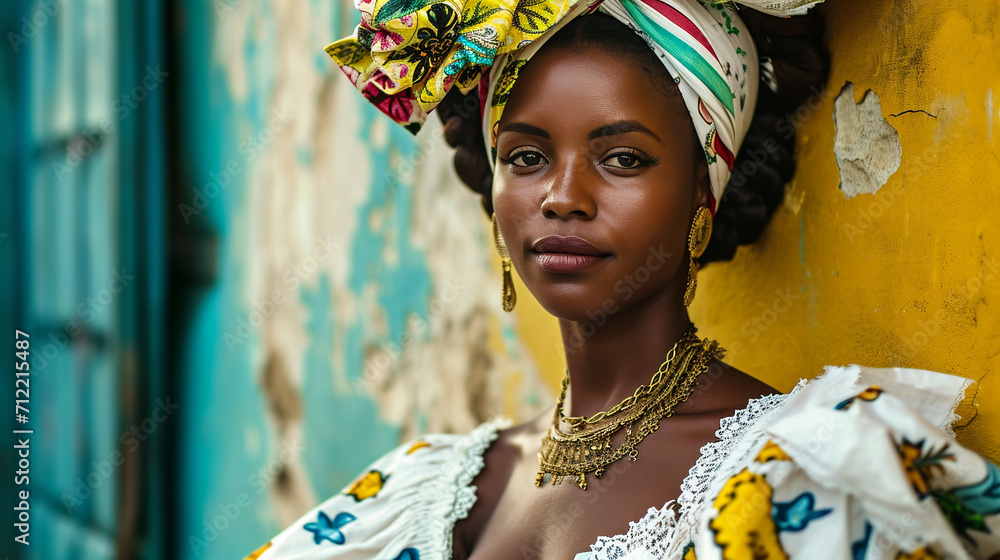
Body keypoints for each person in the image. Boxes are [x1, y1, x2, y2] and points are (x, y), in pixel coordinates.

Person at [243, 0, 1000, 559]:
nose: (562, 196)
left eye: (624, 158)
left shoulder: (804, 476)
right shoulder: (421, 493)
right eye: (526, 157)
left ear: (703, 198)